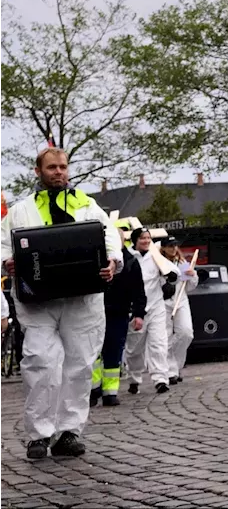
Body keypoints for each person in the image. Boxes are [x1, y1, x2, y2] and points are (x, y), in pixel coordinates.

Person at [0, 148, 122, 460]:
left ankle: (69, 432)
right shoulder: (19, 211)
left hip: (82, 300)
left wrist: (113, 262)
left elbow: (110, 238)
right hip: (38, 302)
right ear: (37, 171)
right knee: (40, 361)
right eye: (52, 167)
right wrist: (7, 261)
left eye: (63, 167)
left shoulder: (87, 204)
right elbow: (2, 245)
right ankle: (39, 435)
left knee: (79, 365)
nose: (59, 172)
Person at [90, 220, 146, 407]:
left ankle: (110, 392)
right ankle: (93, 389)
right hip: (96, 311)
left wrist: (139, 314)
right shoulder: (97, 257)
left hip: (118, 313)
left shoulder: (130, 262)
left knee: (113, 353)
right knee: (94, 352)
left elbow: (139, 290)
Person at [124, 228, 171, 394]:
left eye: (148, 238)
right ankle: (134, 378)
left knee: (159, 343)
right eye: (142, 238)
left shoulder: (156, 256)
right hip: (136, 309)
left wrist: (171, 277)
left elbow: (173, 271)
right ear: (135, 240)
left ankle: (160, 379)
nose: (146, 241)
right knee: (134, 348)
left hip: (156, 306)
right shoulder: (128, 257)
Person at [159, 238, 198, 384]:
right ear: (163, 248)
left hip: (180, 300)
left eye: (175, 245)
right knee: (166, 336)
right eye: (170, 246)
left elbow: (190, 287)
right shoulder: (158, 263)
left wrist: (192, 275)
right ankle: (170, 371)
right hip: (163, 302)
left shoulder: (181, 263)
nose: (173, 248)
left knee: (186, 333)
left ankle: (176, 365)